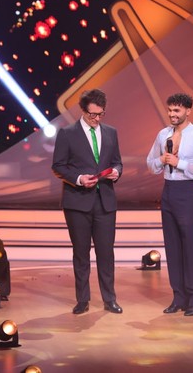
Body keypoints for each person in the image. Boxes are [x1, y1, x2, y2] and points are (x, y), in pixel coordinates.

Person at [52, 88, 123, 314]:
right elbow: (58, 166)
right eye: (92, 114)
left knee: (106, 252)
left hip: (105, 202)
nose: (97, 119)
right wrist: (79, 179)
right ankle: (82, 299)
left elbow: (117, 161)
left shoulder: (111, 132)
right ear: (83, 111)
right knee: (81, 252)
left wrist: (116, 172)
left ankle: (109, 299)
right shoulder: (67, 133)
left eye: (100, 114)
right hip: (78, 202)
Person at [146, 93, 193, 316]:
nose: (172, 114)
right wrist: (161, 160)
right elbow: (151, 164)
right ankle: (179, 297)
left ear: (188, 111)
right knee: (172, 245)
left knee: (191, 246)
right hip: (168, 191)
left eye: (177, 110)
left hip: (189, 192)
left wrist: (179, 162)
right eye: (170, 110)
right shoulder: (163, 134)